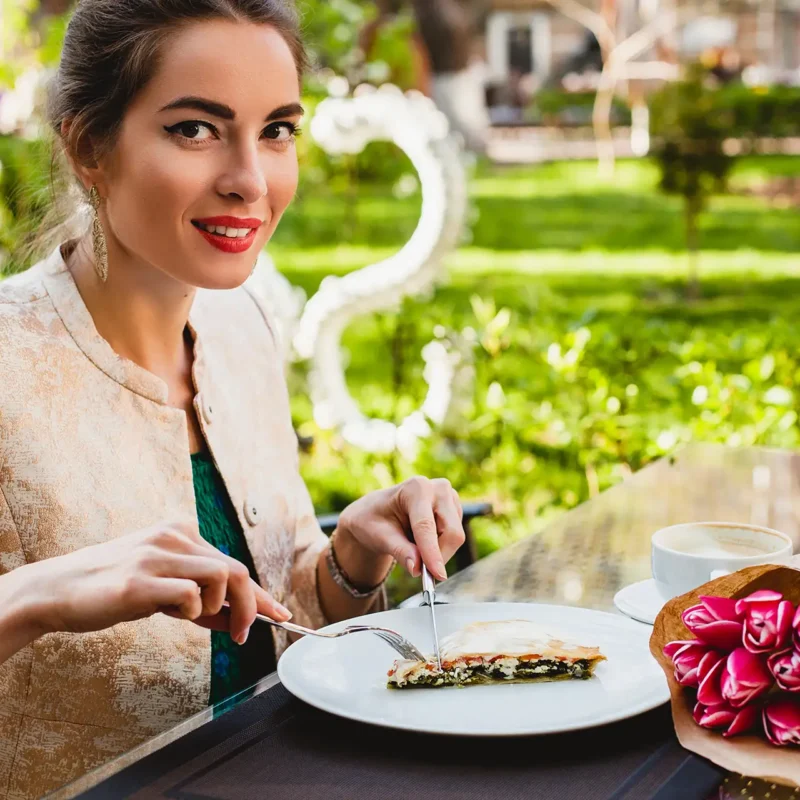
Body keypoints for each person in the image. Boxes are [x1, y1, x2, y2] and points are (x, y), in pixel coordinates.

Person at [0, 1, 465, 797]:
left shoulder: (241, 327)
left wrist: (350, 556)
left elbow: (273, 617)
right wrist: (36, 596)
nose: (251, 180)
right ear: (88, 146)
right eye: (195, 129)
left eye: (277, 129)